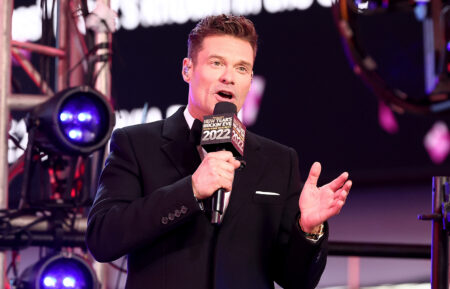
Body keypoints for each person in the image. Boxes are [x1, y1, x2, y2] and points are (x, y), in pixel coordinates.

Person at [86, 14, 351, 289]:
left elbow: (296, 280)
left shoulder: (279, 161)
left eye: (241, 68)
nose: (229, 77)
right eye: (216, 63)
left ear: (250, 78)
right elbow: (102, 239)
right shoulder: (136, 144)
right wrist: (190, 190)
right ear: (187, 69)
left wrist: (307, 230)